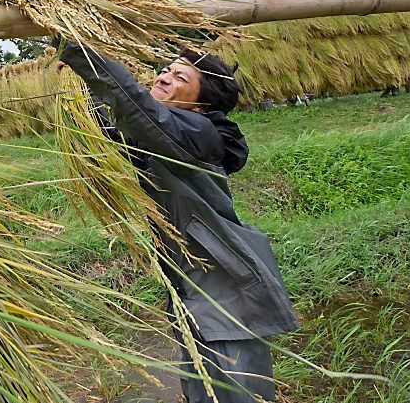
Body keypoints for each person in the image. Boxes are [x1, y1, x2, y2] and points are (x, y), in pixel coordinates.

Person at [54, 39, 298, 403]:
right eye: (166, 70)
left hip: (226, 289)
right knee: (201, 392)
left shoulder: (199, 133)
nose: (166, 76)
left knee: (239, 395)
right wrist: (82, 82)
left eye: (181, 77)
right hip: (193, 291)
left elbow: (140, 111)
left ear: (200, 105)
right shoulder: (163, 138)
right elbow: (119, 123)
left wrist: (83, 53)